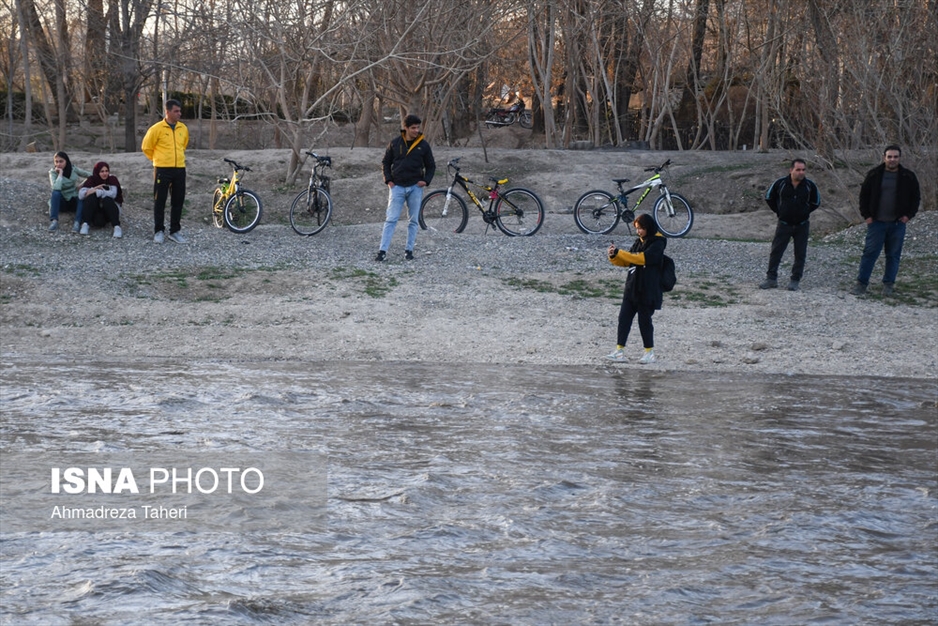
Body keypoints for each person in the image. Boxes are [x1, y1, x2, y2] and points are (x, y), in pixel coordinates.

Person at [851, 145, 921, 297]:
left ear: (899, 158)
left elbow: (916, 198)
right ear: (884, 157)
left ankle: (888, 284)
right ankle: (861, 284)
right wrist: (867, 216)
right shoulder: (874, 174)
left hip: (897, 224)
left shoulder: (908, 176)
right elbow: (864, 196)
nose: (892, 159)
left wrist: (908, 216)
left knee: (893, 255)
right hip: (876, 223)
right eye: (889, 156)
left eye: (895, 157)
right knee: (870, 254)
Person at [605, 213, 666, 364]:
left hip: (648, 290)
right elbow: (628, 261)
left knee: (644, 321)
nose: (638, 231)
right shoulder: (638, 242)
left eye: (641, 229)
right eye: (637, 229)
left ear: (648, 227)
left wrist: (621, 253)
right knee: (624, 318)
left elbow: (641, 258)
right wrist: (614, 256)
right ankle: (619, 351)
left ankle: (649, 353)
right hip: (632, 288)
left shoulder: (658, 243)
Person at [375, 114, 435, 262]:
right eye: (413, 128)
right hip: (397, 187)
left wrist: (425, 181)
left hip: (415, 187)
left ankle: (409, 250)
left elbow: (431, 166)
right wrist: (388, 180)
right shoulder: (395, 143)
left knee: (413, 221)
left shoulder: (424, 145)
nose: (416, 130)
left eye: (417, 128)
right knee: (391, 219)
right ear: (406, 128)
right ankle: (382, 251)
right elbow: (385, 162)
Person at [759, 158, 821, 291]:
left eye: (803, 170)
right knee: (776, 251)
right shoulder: (780, 183)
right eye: (798, 169)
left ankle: (795, 279)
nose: (801, 172)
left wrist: (804, 212)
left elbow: (816, 202)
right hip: (784, 224)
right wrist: (779, 211)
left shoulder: (810, 186)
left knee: (800, 253)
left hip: (802, 225)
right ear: (791, 170)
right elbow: (769, 197)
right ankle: (771, 279)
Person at [141, 99, 189, 244]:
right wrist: (158, 160)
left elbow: (184, 145)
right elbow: (146, 147)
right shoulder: (156, 129)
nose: (179, 113)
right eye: (176, 111)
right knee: (160, 201)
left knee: (178, 201)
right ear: (167, 112)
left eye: (180, 111)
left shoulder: (183, 129)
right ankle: (159, 231)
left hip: (179, 169)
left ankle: (174, 231)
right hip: (162, 169)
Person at [47, 151, 92, 233]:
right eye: (56, 161)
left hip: (72, 198)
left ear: (66, 161)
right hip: (61, 201)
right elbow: (56, 188)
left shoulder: (73, 169)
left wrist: (82, 184)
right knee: (55, 193)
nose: (58, 164)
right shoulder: (53, 172)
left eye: (61, 161)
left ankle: (77, 222)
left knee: (81, 196)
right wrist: (60, 174)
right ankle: (54, 221)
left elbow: (90, 175)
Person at [78, 161, 124, 238]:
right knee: (91, 197)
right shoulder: (91, 180)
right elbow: (81, 195)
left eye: (106, 171)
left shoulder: (112, 179)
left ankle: (117, 227)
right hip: (95, 211)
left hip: (109, 210)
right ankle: (85, 224)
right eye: (102, 171)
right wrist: (94, 189)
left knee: (107, 199)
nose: (105, 173)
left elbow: (113, 194)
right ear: (97, 172)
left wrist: (99, 192)